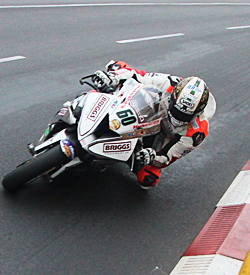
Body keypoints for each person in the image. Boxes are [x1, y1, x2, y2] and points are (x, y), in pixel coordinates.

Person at [85, 60, 215, 189]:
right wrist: (114, 77)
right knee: (118, 73)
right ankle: (88, 102)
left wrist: (153, 156)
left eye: (185, 115)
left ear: (198, 112)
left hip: (160, 136)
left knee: (148, 178)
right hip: (148, 110)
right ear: (173, 98)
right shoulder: (170, 83)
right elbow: (139, 75)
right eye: (177, 111)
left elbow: (169, 157)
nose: (178, 117)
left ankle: (131, 153)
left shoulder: (197, 132)